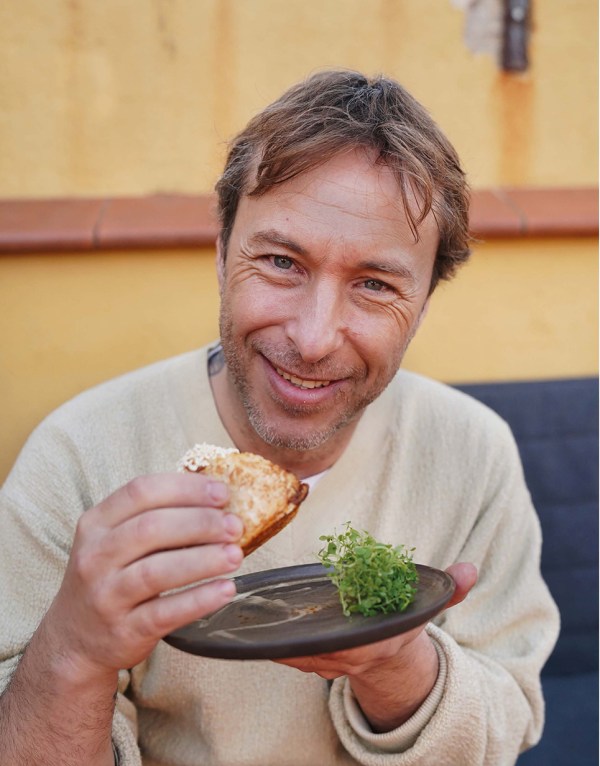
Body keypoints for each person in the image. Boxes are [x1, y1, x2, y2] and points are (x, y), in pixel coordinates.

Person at [0, 70, 558, 766]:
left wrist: (396, 665)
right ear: (220, 255)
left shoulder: (473, 453)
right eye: (280, 261)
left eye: (375, 284)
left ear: (422, 306)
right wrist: (74, 651)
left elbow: (508, 720)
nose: (314, 338)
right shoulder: (80, 456)